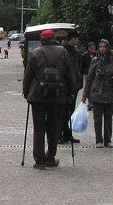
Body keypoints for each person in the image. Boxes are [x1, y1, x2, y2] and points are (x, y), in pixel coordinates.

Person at [22, 28, 78, 169]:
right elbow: (70, 75)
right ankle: (51, 157)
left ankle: (39, 159)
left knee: (39, 127)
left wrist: (26, 92)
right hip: (58, 95)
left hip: (38, 96)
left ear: (42, 40)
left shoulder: (35, 53)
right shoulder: (63, 52)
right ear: (53, 38)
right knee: (54, 127)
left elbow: (28, 76)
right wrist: (71, 93)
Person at [81, 39, 113, 147]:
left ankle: (108, 139)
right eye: (100, 47)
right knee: (97, 118)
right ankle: (99, 140)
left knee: (108, 118)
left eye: (104, 47)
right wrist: (84, 96)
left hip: (109, 91)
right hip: (97, 92)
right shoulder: (95, 60)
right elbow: (89, 78)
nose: (102, 49)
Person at [61, 30, 91, 143]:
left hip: (73, 85)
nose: (78, 41)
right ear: (72, 39)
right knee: (64, 112)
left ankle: (67, 134)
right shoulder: (64, 51)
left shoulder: (72, 51)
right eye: (77, 39)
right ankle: (61, 134)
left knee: (70, 111)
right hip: (67, 86)